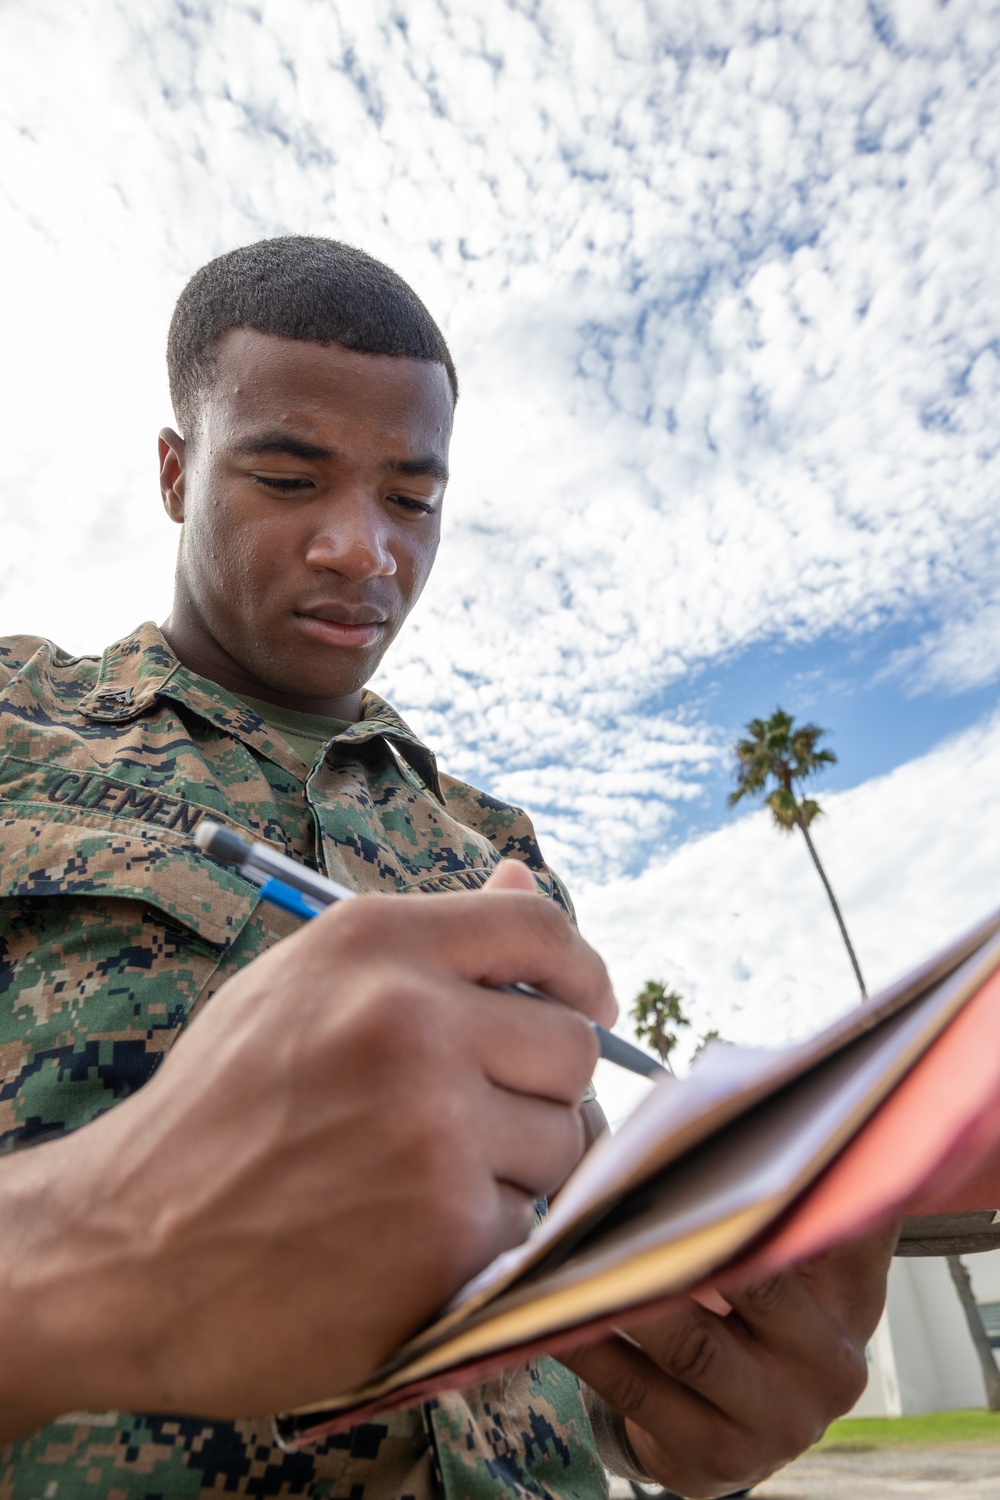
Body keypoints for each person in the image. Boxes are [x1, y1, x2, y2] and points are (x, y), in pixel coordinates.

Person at [0, 236, 895, 1499]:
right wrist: (96, 1242)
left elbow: (566, 1317)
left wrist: (681, 1412)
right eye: (289, 477)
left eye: (411, 500)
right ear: (173, 472)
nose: (362, 549)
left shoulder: (497, 859)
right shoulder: (14, 734)